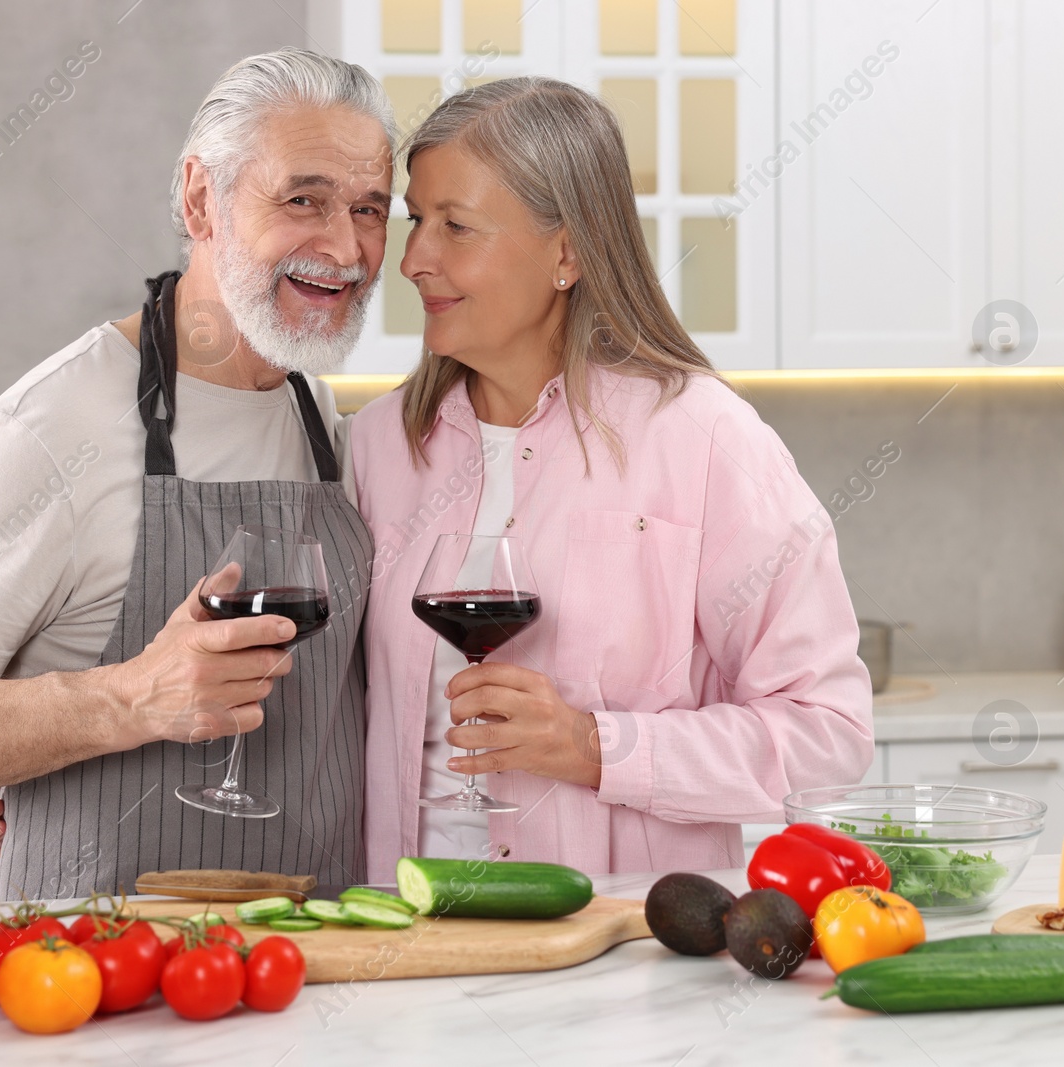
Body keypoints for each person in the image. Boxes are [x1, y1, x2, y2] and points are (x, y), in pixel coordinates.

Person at [0, 49, 394, 899]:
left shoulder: (323, 419)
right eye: (303, 199)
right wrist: (128, 698)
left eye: (369, 209)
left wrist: (16, 748)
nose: (346, 248)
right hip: (93, 991)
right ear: (203, 198)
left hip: (312, 973)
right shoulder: (52, 429)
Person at [348, 77, 874, 881]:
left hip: (624, 962)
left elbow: (827, 736)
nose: (414, 259)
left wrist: (600, 748)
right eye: (416, 220)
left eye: (457, 226)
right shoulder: (379, 445)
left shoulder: (703, 440)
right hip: (410, 940)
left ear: (568, 252)